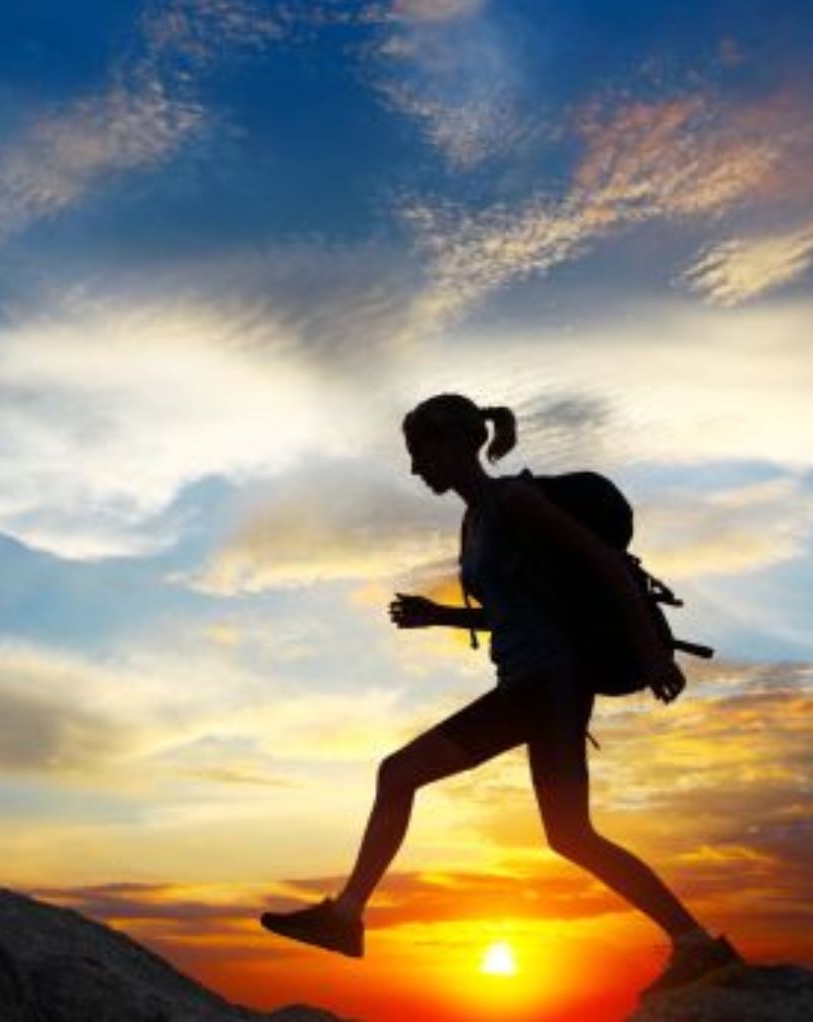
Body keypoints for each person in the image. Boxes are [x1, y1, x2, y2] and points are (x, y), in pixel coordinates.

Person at [259, 393, 740, 999]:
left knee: (398, 772)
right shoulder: (474, 521)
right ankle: (697, 943)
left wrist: (653, 654)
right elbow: (517, 611)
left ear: (459, 443)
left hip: (549, 682)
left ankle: (347, 915)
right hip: (533, 683)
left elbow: (605, 564)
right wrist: (440, 616)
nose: (414, 469)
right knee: (570, 835)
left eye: (420, 452)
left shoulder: (516, 499)